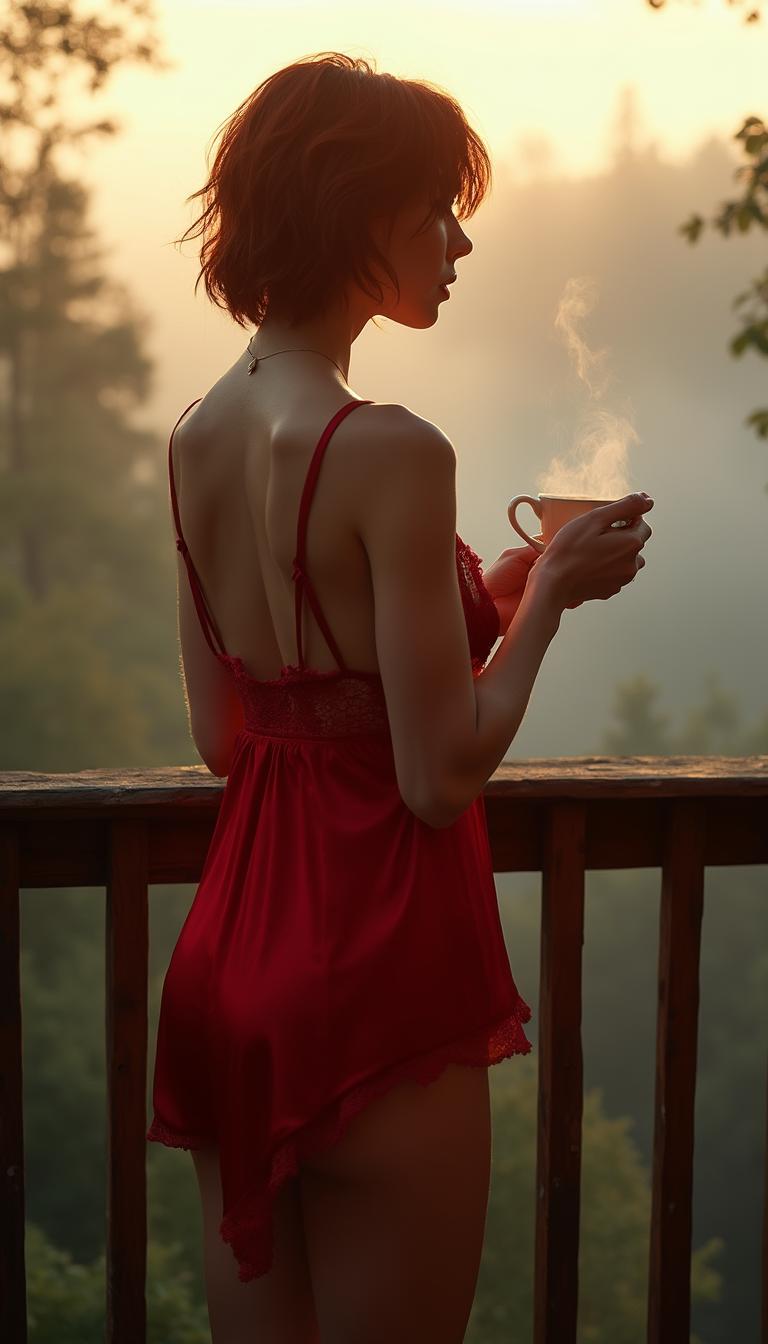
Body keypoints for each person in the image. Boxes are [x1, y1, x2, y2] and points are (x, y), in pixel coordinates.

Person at [146, 51, 653, 1344]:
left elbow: (229, 735)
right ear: (359, 213)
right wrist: (542, 606)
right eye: (435, 205)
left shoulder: (194, 437)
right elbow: (439, 772)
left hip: (230, 967)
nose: (459, 239)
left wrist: (483, 590)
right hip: (372, 965)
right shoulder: (394, 450)